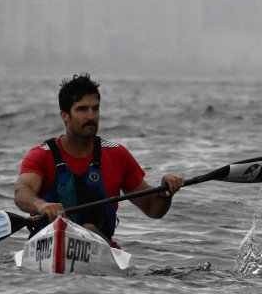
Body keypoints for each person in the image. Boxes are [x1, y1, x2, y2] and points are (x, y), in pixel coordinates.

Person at [14, 73, 183, 242]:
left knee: (89, 229)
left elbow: (153, 209)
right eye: (82, 109)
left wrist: (165, 193)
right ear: (65, 115)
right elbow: (22, 192)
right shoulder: (41, 154)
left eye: (95, 108)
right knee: (80, 229)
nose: (91, 116)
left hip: (100, 247)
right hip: (47, 243)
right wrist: (41, 205)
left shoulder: (117, 155)